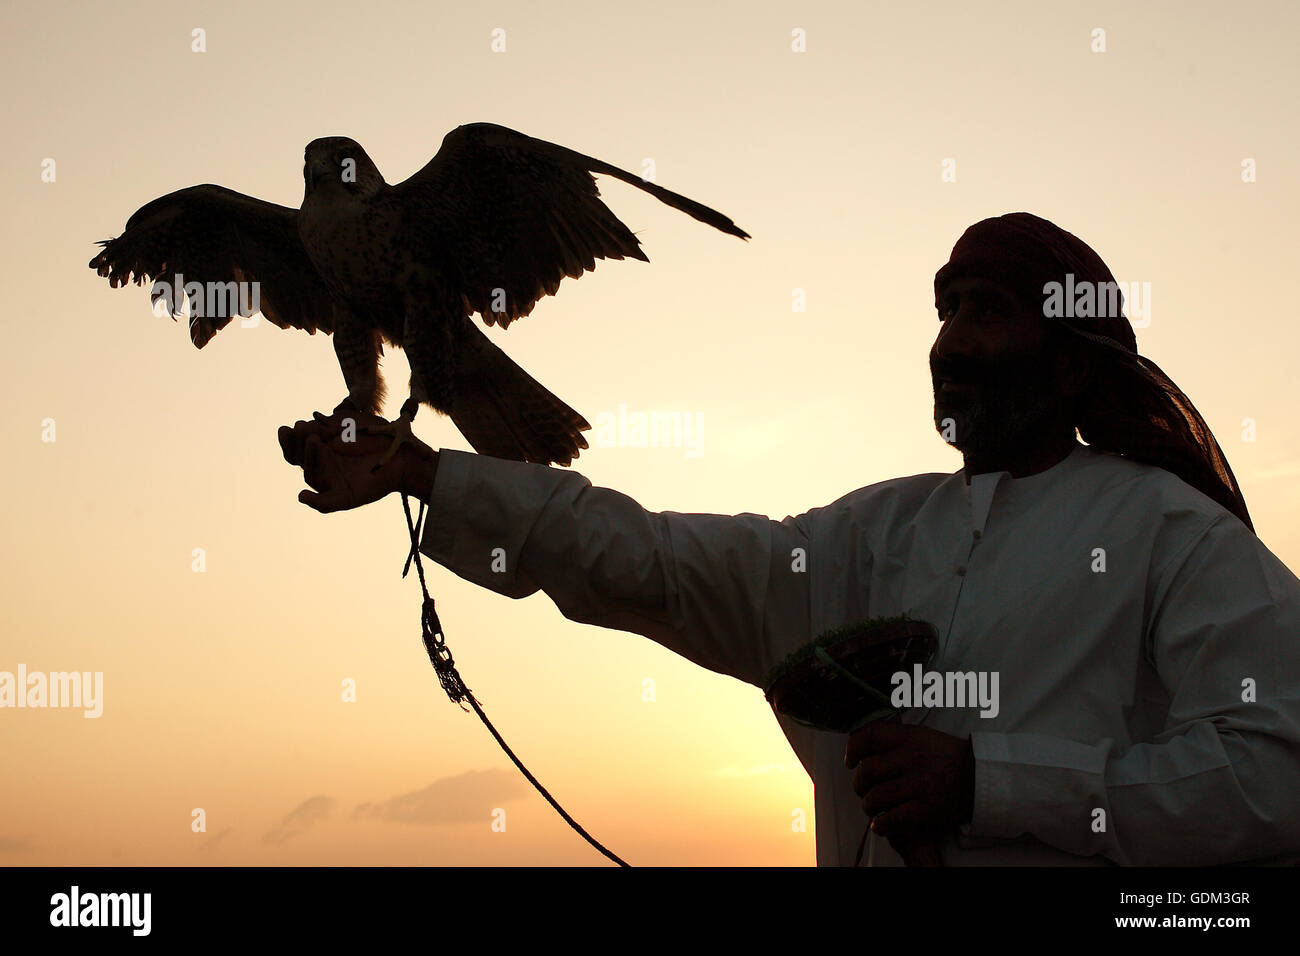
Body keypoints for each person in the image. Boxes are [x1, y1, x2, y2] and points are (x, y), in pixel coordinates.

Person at [278, 213, 1300, 866]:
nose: (949, 341)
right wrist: (429, 471)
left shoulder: (1171, 535)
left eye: (985, 312)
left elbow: (1274, 777)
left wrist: (992, 781)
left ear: (1075, 364)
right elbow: (655, 558)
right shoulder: (875, 531)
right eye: (944, 310)